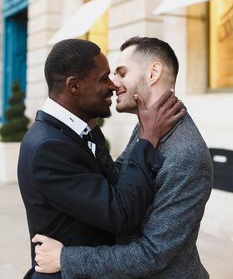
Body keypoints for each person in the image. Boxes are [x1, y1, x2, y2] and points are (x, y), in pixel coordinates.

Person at [33, 36, 213, 279]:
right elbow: (118, 182)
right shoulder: (145, 129)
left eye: (121, 72)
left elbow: (152, 254)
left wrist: (66, 259)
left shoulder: (186, 153)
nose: (113, 84)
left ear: (153, 73)